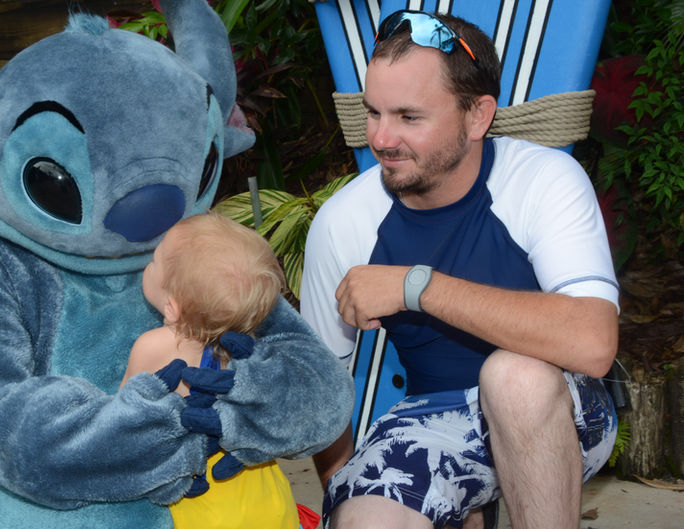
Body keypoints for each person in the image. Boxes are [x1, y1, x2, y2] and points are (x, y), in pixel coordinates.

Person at [300, 10, 619, 529]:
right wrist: (345, 487)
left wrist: (415, 287)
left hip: (561, 409)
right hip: (434, 423)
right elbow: (321, 388)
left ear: (478, 117)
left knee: (514, 377)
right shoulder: (345, 222)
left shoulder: (543, 180)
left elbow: (594, 343)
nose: (381, 138)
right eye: (373, 112)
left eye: (408, 117)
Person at [120, 211, 300, 529]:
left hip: (202, 507)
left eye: (155, 261)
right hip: (266, 496)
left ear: (172, 306)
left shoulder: (154, 346)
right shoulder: (248, 342)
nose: (148, 263)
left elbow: (122, 422)